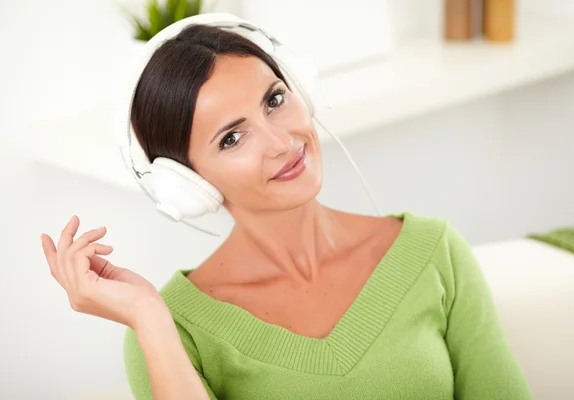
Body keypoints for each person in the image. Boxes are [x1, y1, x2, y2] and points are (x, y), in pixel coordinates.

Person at [40, 20, 533, 400]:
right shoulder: (173, 329)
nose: (281, 142)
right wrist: (148, 318)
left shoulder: (432, 250)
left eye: (275, 100)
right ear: (189, 184)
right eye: (232, 137)